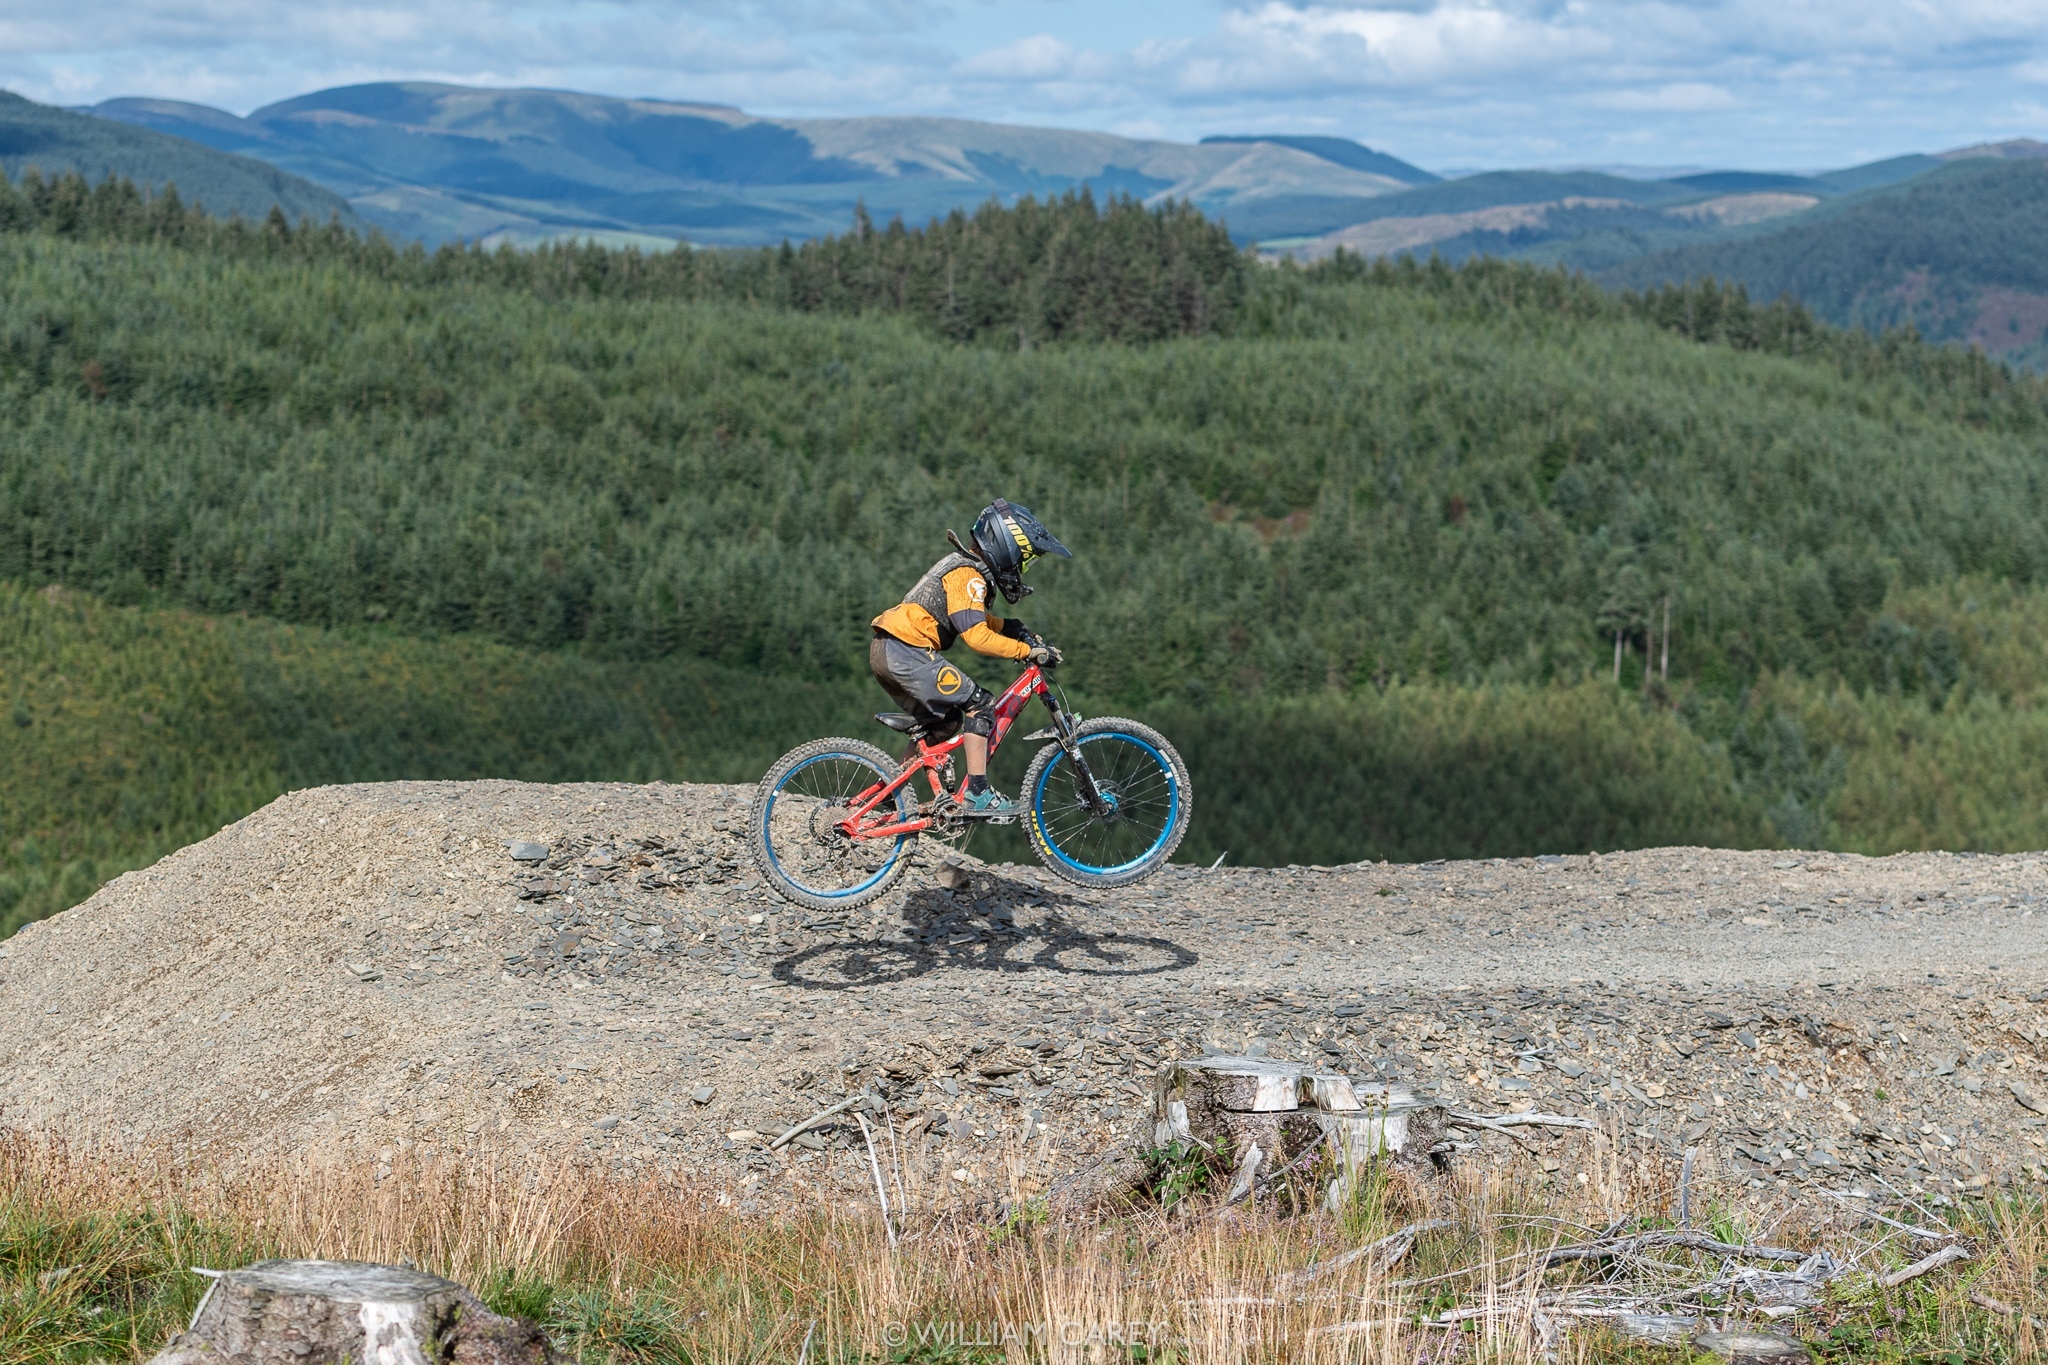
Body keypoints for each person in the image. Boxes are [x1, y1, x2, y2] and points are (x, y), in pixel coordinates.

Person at [870, 498, 1070, 817]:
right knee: (980, 703)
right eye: (1023, 560)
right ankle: (977, 793)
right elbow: (976, 636)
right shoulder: (968, 574)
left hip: (890, 649)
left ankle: (884, 796)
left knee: (942, 724)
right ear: (1006, 548)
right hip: (905, 652)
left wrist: (1012, 628)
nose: (1020, 569)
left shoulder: (964, 568)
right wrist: (1027, 651)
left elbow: (971, 618)